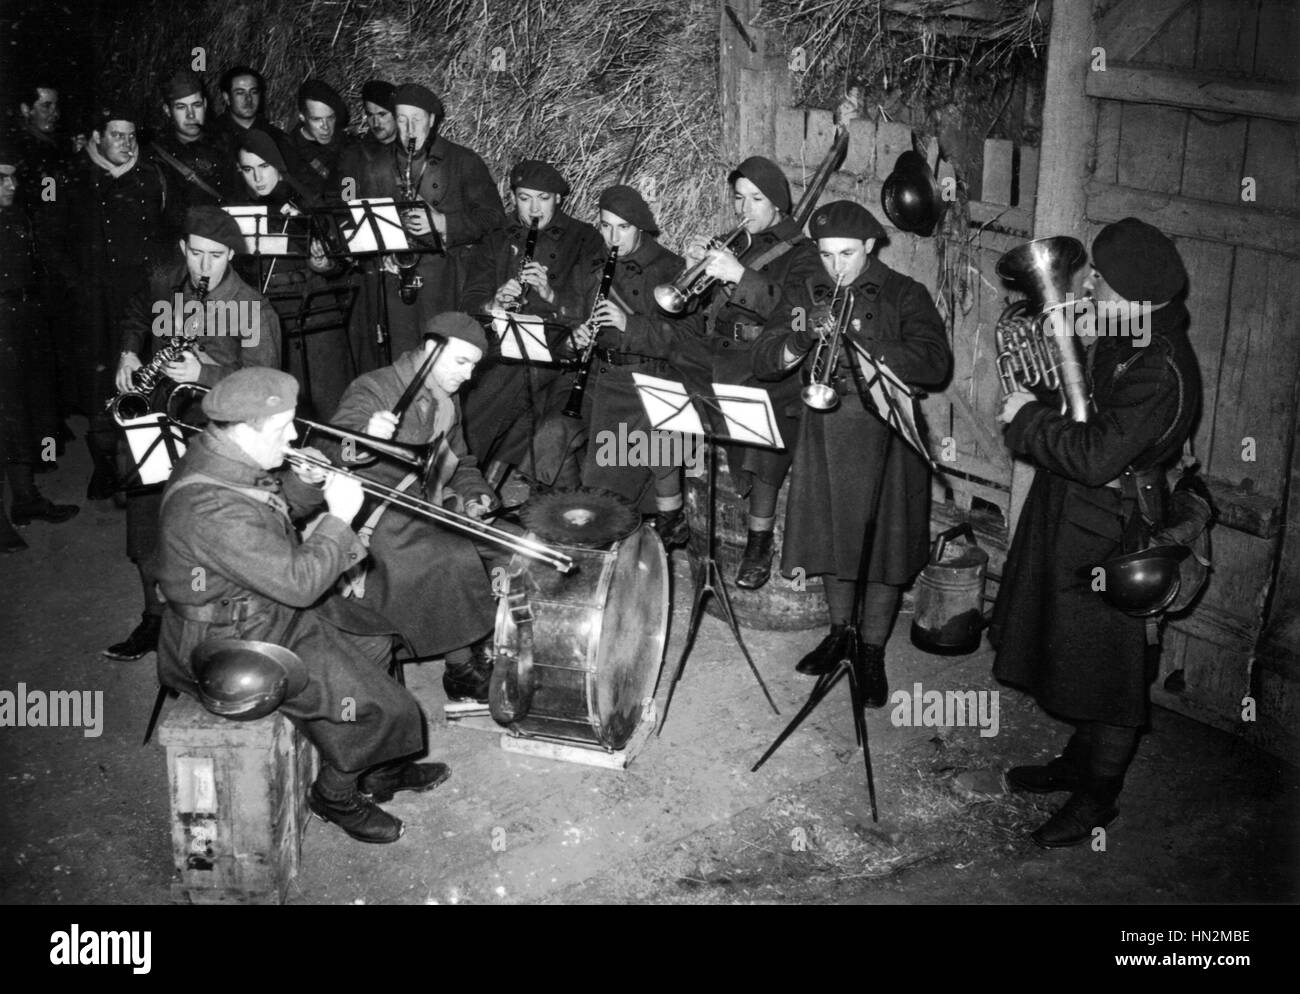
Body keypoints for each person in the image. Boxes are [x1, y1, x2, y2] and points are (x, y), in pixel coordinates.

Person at [155, 366, 449, 844]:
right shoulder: (209, 507)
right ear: (244, 429)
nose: (293, 435)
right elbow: (300, 584)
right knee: (387, 707)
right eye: (282, 427)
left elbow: (270, 522)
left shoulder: (225, 457)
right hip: (231, 640)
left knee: (378, 640)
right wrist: (339, 517)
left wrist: (305, 485)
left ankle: (375, 771)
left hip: (262, 604)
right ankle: (334, 795)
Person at [991, 217, 1201, 848]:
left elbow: (1094, 456)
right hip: (1078, 515)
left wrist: (1027, 421)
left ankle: (1097, 799)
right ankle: (1077, 764)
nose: (1087, 288)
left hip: (1116, 530)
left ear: (1133, 294)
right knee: (1076, 655)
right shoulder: (1130, 334)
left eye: (1099, 281)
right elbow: (1079, 411)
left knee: (1110, 676)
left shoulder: (1158, 368)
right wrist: (1056, 365)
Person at [751, 200, 950, 704]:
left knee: (882, 549)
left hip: (887, 434)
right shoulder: (806, 289)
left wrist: (860, 343)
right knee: (832, 538)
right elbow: (766, 358)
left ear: (869, 246)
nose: (835, 267)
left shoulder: (906, 293)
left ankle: (873, 651)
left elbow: (934, 364)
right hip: (824, 430)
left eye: (845, 254)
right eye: (825, 255)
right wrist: (801, 336)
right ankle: (840, 633)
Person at [627, 156, 819, 585]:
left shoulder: (804, 254)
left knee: (763, 422)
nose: (743, 209)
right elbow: (690, 305)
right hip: (714, 350)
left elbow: (800, 315)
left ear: (778, 205)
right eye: (738, 197)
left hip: (764, 358)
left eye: (756, 199)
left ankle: (759, 540)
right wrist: (692, 269)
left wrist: (740, 275)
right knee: (661, 393)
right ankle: (671, 512)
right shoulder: (729, 241)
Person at [104, 206, 282, 661]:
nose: (204, 267)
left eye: (216, 256)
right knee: (146, 525)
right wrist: (128, 353)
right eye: (196, 254)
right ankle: (153, 619)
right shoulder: (167, 281)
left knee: (200, 534)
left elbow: (265, 384)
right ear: (184, 249)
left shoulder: (251, 307)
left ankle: (205, 630)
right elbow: (136, 314)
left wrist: (204, 371)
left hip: (213, 433)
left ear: (231, 255)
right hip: (156, 418)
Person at [329, 312, 501, 703]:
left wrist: (477, 496)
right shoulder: (374, 387)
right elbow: (332, 450)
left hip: (428, 505)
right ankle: (460, 669)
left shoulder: (447, 397)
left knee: (510, 543)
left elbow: (462, 461)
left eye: (474, 366)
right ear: (429, 350)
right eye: (462, 362)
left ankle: (484, 641)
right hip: (373, 515)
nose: (469, 376)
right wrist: (364, 438)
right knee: (449, 556)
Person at [461, 158, 602, 489]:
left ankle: (464, 474)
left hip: (561, 346)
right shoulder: (497, 237)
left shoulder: (584, 238)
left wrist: (550, 293)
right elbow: (470, 299)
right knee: (481, 382)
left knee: (501, 384)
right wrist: (493, 301)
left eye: (543, 198)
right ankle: (465, 471)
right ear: (514, 199)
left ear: (559, 199)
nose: (534, 208)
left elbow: (596, 304)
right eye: (525, 198)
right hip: (504, 342)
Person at [561, 184, 692, 544]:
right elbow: (572, 315)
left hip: (652, 378)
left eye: (623, 228)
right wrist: (576, 336)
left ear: (640, 227)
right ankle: (655, 520)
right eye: (606, 226)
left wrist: (627, 324)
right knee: (600, 488)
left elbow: (685, 339)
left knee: (649, 449)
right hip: (605, 381)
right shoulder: (593, 265)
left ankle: (669, 518)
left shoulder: (670, 268)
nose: (613, 237)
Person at [61, 105, 171, 499]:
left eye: (130, 135)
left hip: (139, 298)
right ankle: (104, 467)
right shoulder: (74, 178)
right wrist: (78, 286)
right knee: (98, 383)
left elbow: (165, 235)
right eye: (116, 135)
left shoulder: (150, 177)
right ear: (96, 138)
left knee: (145, 377)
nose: (126, 143)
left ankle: (145, 468)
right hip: (93, 300)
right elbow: (54, 242)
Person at [352, 83, 503, 357]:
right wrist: (380, 254)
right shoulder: (376, 166)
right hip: (399, 283)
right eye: (401, 119)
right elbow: (367, 227)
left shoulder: (464, 161)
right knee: (404, 360)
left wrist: (443, 223)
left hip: (449, 281)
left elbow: (494, 218)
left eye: (417, 119)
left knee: (444, 359)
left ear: (432, 121)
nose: (409, 129)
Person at [230, 127, 352, 417]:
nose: (258, 179)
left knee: (323, 402)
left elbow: (339, 260)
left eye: (264, 167)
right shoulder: (235, 208)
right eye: (248, 170)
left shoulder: (305, 200)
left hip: (311, 311)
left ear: (279, 166)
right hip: (261, 313)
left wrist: (324, 264)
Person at [0, 142, 78, 550]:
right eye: (1, 178)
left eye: (13, 176)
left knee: (22, 412)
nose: (10, 184)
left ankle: (26, 499)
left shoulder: (17, 215)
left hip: (23, 318)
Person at [150, 70, 232, 229]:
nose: (190, 115)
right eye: (181, 107)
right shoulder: (155, 152)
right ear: (168, 110)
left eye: (196, 105)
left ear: (205, 105)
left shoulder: (225, 146)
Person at [285, 79, 353, 201]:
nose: (325, 127)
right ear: (302, 117)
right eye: (316, 119)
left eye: (330, 118)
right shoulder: (287, 151)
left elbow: (351, 194)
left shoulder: (348, 145)